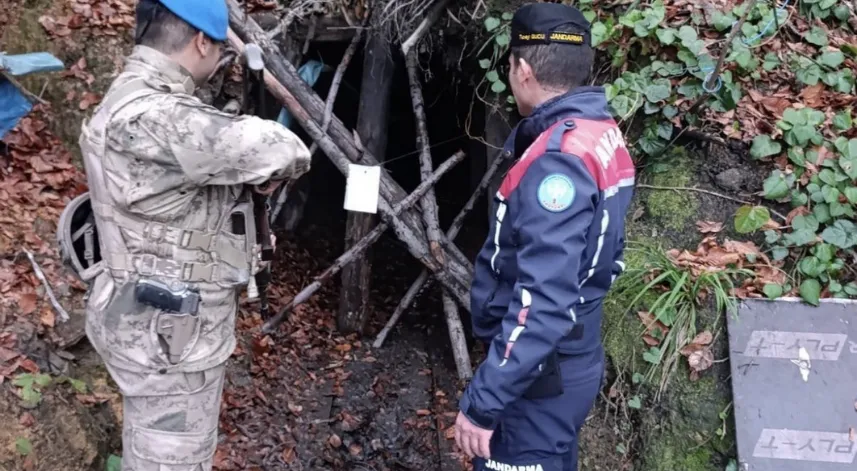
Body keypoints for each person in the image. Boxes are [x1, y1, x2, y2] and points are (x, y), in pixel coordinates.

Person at [57, 0, 311, 469]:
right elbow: (283, 148)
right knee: (170, 459)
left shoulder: (130, 95)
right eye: (220, 52)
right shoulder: (158, 116)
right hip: (169, 336)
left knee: (152, 446)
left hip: (144, 318)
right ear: (201, 40)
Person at [454, 3, 636, 471]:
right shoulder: (600, 133)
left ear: (524, 70)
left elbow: (543, 299)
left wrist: (484, 401)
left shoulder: (557, 160)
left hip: (539, 377)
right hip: (569, 359)